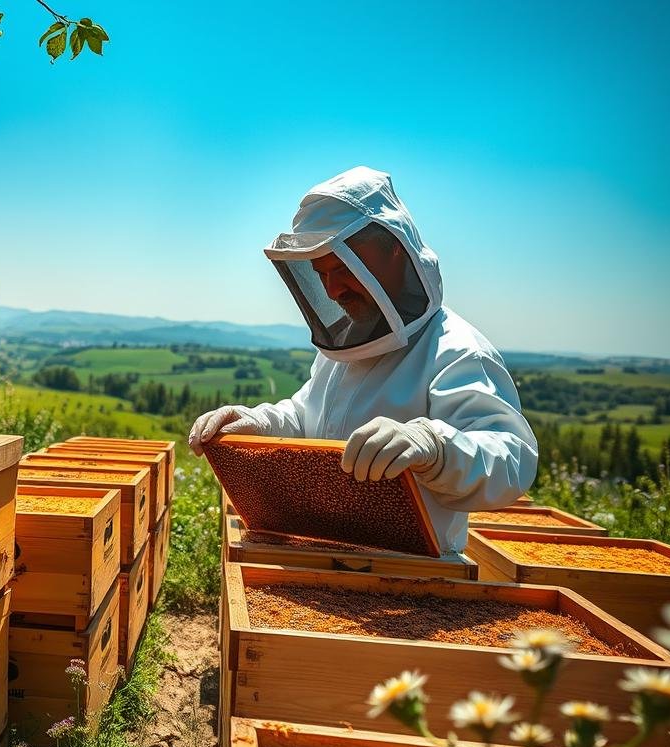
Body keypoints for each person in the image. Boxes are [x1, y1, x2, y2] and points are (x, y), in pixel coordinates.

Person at [188, 166, 537, 552]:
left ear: (393, 250)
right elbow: (308, 416)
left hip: (415, 579)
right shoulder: (348, 345)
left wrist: (434, 447)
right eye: (321, 273)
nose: (333, 289)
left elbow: (511, 457)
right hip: (324, 555)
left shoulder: (457, 349)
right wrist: (257, 421)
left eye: (342, 269)